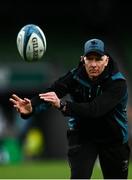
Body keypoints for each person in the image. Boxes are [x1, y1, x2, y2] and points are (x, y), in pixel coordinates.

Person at [9, 38, 130, 179]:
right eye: (89, 59)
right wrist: (32, 108)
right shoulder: (75, 76)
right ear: (82, 59)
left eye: (98, 59)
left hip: (113, 139)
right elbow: (53, 91)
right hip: (83, 136)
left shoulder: (118, 83)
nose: (94, 64)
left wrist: (63, 105)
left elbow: (94, 110)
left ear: (106, 60)